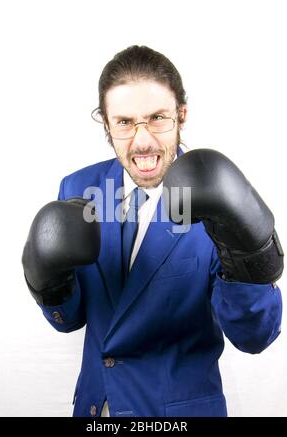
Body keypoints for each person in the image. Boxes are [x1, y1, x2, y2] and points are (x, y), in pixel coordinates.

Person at [22, 45, 283, 417]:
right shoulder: (79, 188)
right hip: (98, 410)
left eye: (157, 118)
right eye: (125, 122)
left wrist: (245, 259)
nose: (142, 141)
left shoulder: (214, 197)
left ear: (182, 115)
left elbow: (254, 337)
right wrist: (47, 280)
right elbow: (71, 318)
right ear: (106, 124)